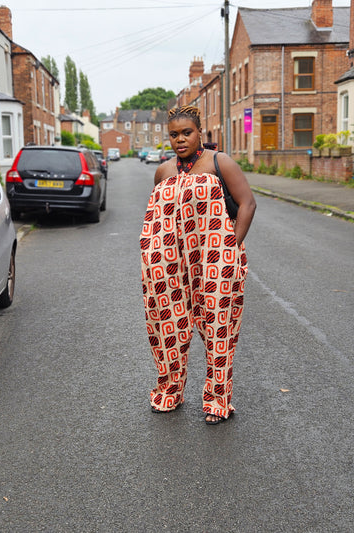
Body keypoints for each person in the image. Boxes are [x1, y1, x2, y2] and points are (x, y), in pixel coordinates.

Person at [140, 105, 256, 425]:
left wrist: (230, 246)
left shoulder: (220, 163)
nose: (180, 139)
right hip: (172, 265)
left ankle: (217, 401)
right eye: (174, 135)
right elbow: (160, 217)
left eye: (186, 133)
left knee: (218, 328)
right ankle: (170, 391)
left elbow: (247, 203)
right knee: (169, 328)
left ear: (200, 132)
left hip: (215, 260)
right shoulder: (164, 171)